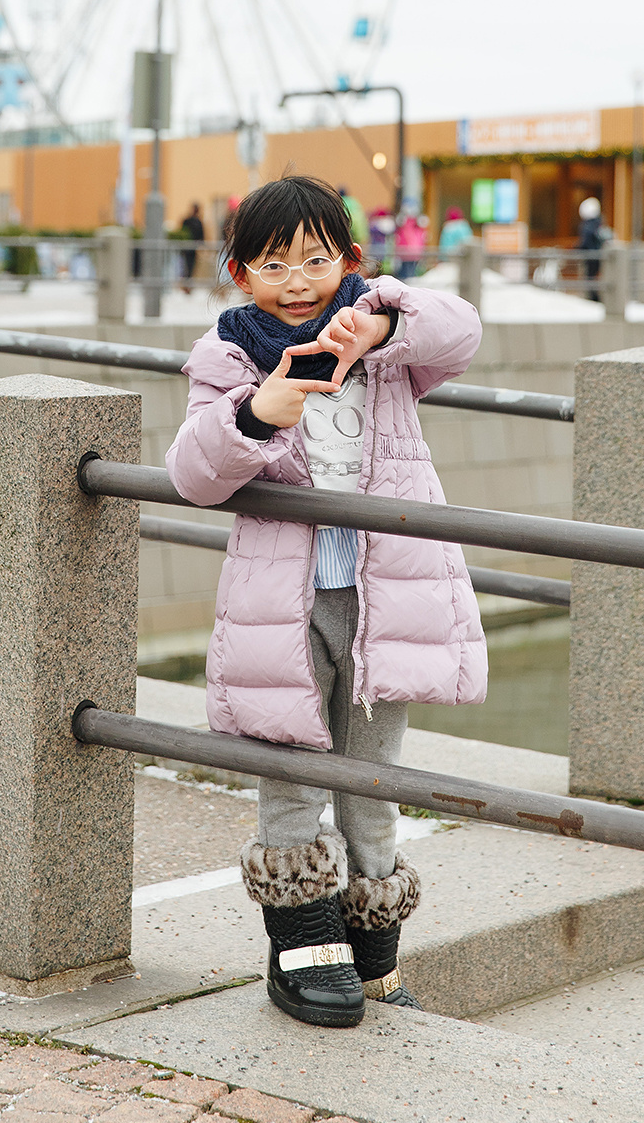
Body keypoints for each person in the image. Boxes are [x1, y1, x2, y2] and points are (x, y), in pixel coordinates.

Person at [166, 174, 486, 1030]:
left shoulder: (382, 344)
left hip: (386, 598)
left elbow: (460, 332)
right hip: (283, 600)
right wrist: (260, 411)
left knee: (371, 780)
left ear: (347, 259)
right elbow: (193, 473)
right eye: (274, 264)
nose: (297, 280)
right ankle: (302, 954)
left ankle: (372, 959)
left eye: (315, 259)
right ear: (239, 274)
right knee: (289, 773)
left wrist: (382, 318)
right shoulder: (228, 356)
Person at [578, 196, 606, 303]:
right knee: (593, 277)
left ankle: (594, 298)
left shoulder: (588, 226)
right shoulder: (598, 222)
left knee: (590, 277)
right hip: (597, 253)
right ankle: (594, 297)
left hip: (591, 254)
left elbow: (586, 240)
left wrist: (579, 248)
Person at [179, 201, 205, 292]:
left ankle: (188, 285)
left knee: (191, 267)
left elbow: (202, 235)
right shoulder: (189, 221)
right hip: (187, 248)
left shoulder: (197, 222)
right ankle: (185, 285)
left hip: (193, 248)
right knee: (185, 267)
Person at [394, 210, 426, 280]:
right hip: (412, 253)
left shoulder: (404, 227)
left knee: (406, 273)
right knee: (409, 272)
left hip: (406, 253)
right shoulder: (416, 228)